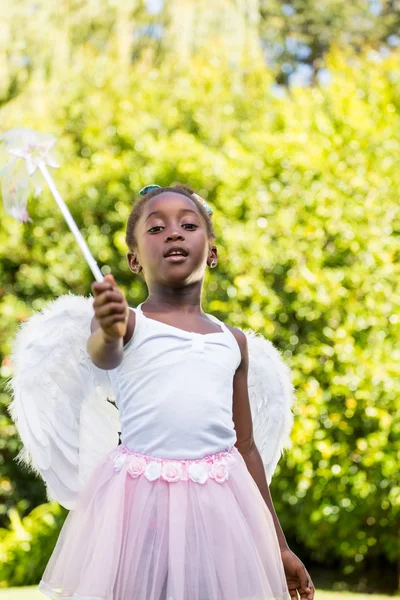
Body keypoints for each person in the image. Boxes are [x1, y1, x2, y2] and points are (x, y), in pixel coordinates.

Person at [39, 183, 314, 600]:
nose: (173, 233)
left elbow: (246, 446)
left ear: (213, 252)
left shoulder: (232, 341)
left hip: (219, 504)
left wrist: (278, 545)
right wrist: (109, 329)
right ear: (134, 260)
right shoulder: (127, 324)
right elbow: (104, 355)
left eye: (188, 225)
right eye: (156, 228)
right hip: (138, 504)